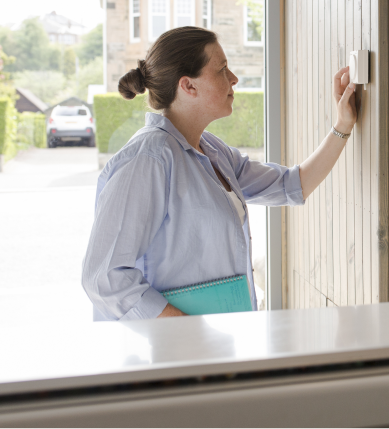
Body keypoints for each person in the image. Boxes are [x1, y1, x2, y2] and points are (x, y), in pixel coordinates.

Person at [82, 26, 357, 321]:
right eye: (222, 69)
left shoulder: (211, 150)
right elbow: (104, 278)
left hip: (215, 344)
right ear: (188, 86)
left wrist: (343, 125)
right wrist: (191, 334)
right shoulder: (148, 159)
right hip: (173, 353)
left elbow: (292, 185)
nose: (234, 78)